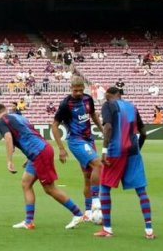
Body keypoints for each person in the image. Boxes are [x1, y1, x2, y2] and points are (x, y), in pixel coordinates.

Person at [0, 103, 86, 230]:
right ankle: (28, 221)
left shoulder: (1, 121)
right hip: (39, 151)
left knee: (49, 188)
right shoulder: (19, 117)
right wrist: (29, 157)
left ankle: (78, 214)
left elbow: (9, 139)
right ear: (5, 110)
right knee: (26, 184)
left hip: (40, 153)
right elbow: (32, 133)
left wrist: (9, 161)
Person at [94, 87, 154, 239]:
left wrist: (104, 151)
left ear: (115, 95)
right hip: (133, 151)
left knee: (105, 187)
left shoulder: (108, 105)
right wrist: (136, 149)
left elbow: (108, 127)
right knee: (141, 191)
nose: (107, 100)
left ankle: (107, 229)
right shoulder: (132, 107)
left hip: (115, 151)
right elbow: (144, 133)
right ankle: (149, 231)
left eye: (108, 97)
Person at [51, 76, 103, 223]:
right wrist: (61, 148)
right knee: (98, 164)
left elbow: (93, 115)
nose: (79, 93)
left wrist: (102, 130)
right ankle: (96, 202)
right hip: (76, 141)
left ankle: (87, 212)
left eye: (81, 90)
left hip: (89, 140)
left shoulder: (88, 99)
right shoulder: (66, 104)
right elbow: (54, 125)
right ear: (70, 88)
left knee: (88, 177)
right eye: (76, 90)